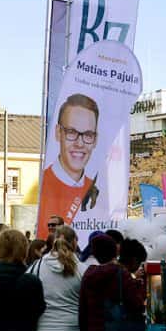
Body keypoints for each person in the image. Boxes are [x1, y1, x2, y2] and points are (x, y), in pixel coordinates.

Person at [36, 94, 100, 233]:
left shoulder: (96, 188)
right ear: (58, 132)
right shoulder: (43, 185)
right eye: (72, 132)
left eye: (88, 135)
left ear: (95, 139)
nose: (79, 143)